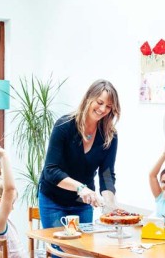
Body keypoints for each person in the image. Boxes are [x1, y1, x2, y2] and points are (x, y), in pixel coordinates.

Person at [38, 79, 121, 228]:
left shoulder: (109, 136)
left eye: (109, 106)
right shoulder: (64, 126)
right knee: (60, 249)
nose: (103, 109)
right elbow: (51, 170)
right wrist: (81, 188)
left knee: (81, 250)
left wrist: (110, 203)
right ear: (89, 98)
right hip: (53, 199)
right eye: (99, 102)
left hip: (82, 204)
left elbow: (106, 174)